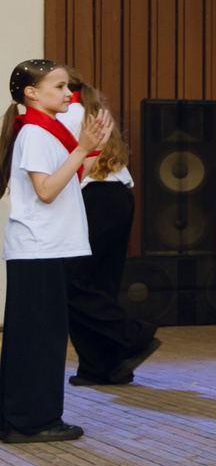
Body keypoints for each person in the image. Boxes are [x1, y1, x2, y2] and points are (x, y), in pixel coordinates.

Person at [3, 62, 118, 441]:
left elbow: (64, 180)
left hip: (44, 247)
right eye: (59, 86)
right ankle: (31, 422)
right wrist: (83, 149)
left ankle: (23, 418)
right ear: (32, 93)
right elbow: (47, 191)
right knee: (38, 340)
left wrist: (91, 150)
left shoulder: (44, 133)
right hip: (37, 247)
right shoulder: (35, 132)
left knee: (41, 338)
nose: (70, 94)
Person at [56, 80, 158, 389]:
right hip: (118, 196)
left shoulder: (67, 115)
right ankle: (104, 366)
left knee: (70, 284)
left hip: (92, 198)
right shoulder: (95, 112)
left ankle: (133, 336)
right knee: (99, 285)